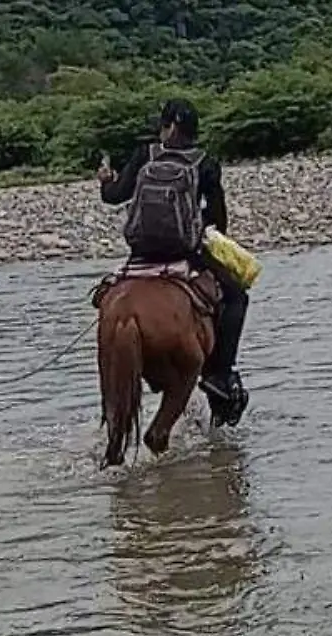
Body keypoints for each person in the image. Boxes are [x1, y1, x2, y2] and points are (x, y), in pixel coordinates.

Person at [96, 98, 249, 426]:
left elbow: (114, 196)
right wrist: (199, 224)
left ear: (170, 126)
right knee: (236, 296)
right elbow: (218, 220)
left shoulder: (145, 154)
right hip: (184, 253)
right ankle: (220, 375)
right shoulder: (205, 163)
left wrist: (106, 179)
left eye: (163, 125)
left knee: (105, 297)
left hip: (141, 254)